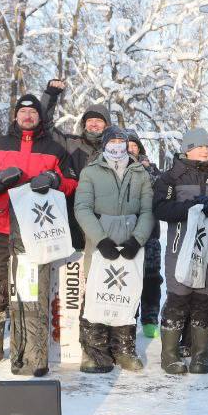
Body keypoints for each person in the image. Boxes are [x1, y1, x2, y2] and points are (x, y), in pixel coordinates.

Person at [0, 93, 77, 375]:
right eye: (22, 112)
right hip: (1, 226)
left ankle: (29, 347)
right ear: (15, 116)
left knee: (29, 287)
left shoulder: (54, 150)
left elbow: (72, 183)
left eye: (33, 112)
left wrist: (53, 180)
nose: (27, 116)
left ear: (40, 117)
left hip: (36, 230)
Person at [152, 128, 208, 375]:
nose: (204, 150)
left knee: (206, 302)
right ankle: (169, 357)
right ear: (187, 148)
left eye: (207, 146)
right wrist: (192, 206)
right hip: (179, 249)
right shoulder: (170, 177)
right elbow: (160, 209)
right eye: (198, 146)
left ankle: (200, 358)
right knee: (178, 301)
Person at [73, 126, 154, 373]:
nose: (117, 145)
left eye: (122, 141)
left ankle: (124, 350)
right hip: (100, 246)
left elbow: (147, 211)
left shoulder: (140, 172)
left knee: (126, 296)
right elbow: (82, 208)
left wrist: (137, 240)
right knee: (97, 295)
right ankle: (94, 352)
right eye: (113, 141)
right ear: (105, 144)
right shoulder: (90, 172)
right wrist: (101, 239)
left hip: (130, 244)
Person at [125, 130, 162, 338]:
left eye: (134, 145)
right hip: (125, 232)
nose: (131, 149)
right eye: (127, 145)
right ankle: (129, 316)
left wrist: (147, 169)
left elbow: (161, 188)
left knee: (151, 278)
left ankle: (150, 319)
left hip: (150, 233)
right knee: (128, 276)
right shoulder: (117, 167)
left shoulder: (150, 167)